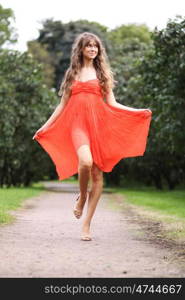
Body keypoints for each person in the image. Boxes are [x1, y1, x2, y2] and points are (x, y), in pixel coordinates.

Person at [33, 32, 152, 241]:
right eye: (88, 46)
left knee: (97, 176)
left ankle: (86, 225)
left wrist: (137, 111)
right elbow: (62, 105)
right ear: (81, 49)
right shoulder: (72, 73)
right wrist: (44, 127)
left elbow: (113, 104)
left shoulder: (103, 74)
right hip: (77, 125)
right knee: (85, 162)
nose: (92, 49)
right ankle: (82, 197)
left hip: (99, 126)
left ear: (99, 50)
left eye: (95, 46)